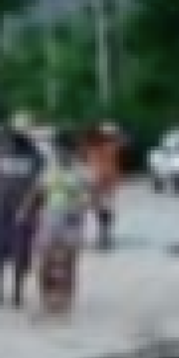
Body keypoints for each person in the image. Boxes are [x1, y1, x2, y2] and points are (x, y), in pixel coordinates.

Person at [0, 124, 47, 309]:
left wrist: (34, 207)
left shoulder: (36, 158)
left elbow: (40, 185)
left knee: (21, 251)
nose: (9, 142)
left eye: (12, 138)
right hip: (2, 209)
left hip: (25, 211)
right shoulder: (1, 155)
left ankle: (17, 292)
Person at [37, 138, 98, 316]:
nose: (62, 154)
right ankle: (46, 298)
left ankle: (66, 300)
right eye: (58, 150)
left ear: (73, 151)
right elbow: (39, 192)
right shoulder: (49, 169)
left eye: (65, 150)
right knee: (45, 262)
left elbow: (93, 195)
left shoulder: (83, 171)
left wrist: (83, 206)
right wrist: (25, 211)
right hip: (50, 217)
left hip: (73, 219)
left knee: (69, 263)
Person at [86, 124, 129, 252]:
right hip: (99, 181)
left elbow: (125, 141)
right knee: (100, 208)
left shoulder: (105, 146)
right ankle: (104, 234)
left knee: (103, 208)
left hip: (104, 181)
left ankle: (104, 235)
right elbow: (125, 140)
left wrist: (114, 133)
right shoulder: (98, 147)